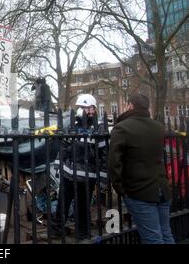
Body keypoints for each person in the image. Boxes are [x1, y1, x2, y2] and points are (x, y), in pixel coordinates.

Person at [108, 93, 174, 244]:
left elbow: (114, 162)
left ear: (130, 105)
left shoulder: (121, 128)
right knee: (166, 234)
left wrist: (120, 189)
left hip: (140, 192)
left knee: (153, 239)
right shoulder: (158, 127)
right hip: (162, 189)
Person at [50, 93, 107, 239]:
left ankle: (82, 232)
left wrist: (103, 175)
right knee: (63, 201)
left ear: (93, 109)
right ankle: (57, 229)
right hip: (69, 172)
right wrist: (59, 166)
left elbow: (103, 152)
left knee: (83, 205)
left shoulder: (98, 128)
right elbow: (64, 147)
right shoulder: (72, 126)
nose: (86, 111)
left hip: (88, 174)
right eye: (83, 107)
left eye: (88, 108)